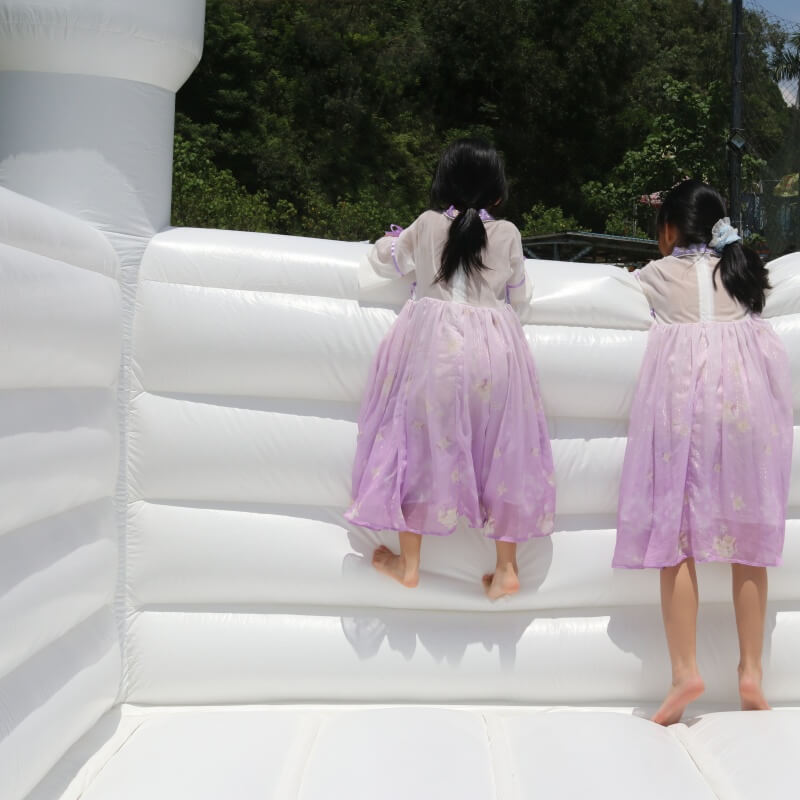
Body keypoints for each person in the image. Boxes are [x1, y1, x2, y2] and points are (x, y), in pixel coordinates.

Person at [613, 179, 793, 725]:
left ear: (669, 229)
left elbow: (620, 289)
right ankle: (751, 673)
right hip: (746, 412)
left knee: (677, 540)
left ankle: (685, 671)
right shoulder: (741, 272)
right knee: (748, 544)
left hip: (684, 410)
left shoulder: (657, 274)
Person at [345, 138, 555, 600]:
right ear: (496, 193)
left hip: (435, 352)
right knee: (504, 452)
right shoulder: (508, 234)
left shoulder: (425, 225)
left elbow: (389, 260)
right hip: (494, 354)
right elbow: (520, 295)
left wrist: (391, 239)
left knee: (415, 446)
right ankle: (506, 568)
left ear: (443, 185)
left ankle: (410, 563)